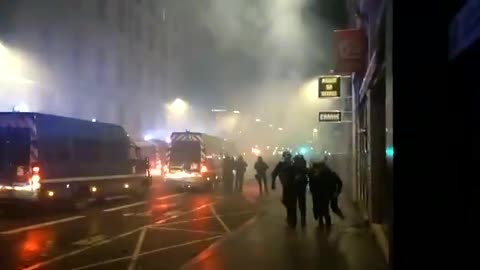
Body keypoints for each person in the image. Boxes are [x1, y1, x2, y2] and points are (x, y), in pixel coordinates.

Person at [272, 152, 309, 228]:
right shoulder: (284, 164)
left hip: (293, 187)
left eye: (289, 156)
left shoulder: (293, 165)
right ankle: (295, 219)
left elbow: (305, 171)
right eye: (286, 156)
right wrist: (273, 183)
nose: (288, 158)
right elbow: (274, 173)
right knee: (291, 203)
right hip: (289, 187)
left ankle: (295, 220)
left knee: (293, 203)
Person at [308, 162, 343, 231]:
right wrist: (337, 192)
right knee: (331, 208)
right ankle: (339, 220)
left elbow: (312, 185)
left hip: (323, 195)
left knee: (324, 209)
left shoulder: (318, 175)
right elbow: (339, 182)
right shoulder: (331, 173)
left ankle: (324, 224)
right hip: (330, 194)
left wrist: (313, 192)